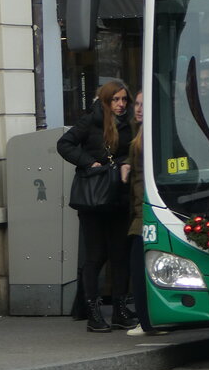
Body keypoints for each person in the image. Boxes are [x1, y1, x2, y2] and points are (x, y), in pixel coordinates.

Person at [57, 81, 138, 332]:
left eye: (124, 99)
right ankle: (93, 312)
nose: (121, 104)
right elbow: (64, 144)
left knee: (120, 255)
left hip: (118, 196)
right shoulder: (89, 121)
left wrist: (125, 162)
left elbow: (132, 151)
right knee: (95, 256)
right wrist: (89, 163)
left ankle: (120, 310)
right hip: (92, 197)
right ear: (105, 101)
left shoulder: (130, 124)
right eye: (115, 100)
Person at [121, 91, 166, 337]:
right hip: (140, 208)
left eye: (143, 105)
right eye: (136, 104)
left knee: (139, 265)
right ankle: (148, 320)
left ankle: (147, 321)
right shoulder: (139, 134)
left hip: (144, 210)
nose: (138, 109)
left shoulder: (149, 136)